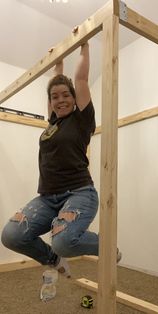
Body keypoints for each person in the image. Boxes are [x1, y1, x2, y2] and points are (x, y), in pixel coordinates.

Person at [1, 41, 99, 278]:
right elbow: (56, 85)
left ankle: (105, 245)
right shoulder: (52, 123)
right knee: (11, 235)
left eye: (67, 95)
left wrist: (83, 46)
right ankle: (54, 260)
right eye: (55, 97)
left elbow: (81, 80)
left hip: (79, 193)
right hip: (47, 198)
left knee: (63, 241)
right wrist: (58, 63)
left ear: (75, 99)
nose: (61, 100)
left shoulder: (81, 119)